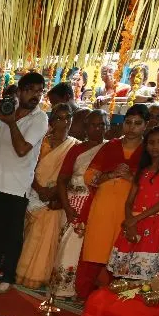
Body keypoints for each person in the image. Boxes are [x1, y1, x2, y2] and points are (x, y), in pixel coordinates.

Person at [0, 72, 48, 292]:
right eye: (31, 90)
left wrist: (11, 122)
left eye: (39, 91)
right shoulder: (7, 111)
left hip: (18, 184)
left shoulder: (40, 118)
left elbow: (22, 149)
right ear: (20, 92)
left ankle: (8, 277)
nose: (35, 95)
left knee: (13, 235)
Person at [76, 104, 147, 298]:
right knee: (95, 249)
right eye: (128, 122)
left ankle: (111, 298)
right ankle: (84, 294)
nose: (132, 127)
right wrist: (111, 174)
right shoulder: (111, 146)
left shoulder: (149, 150)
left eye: (137, 123)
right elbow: (89, 176)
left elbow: (153, 182)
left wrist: (130, 177)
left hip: (130, 209)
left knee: (122, 252)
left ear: (146, 125)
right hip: (104, 205)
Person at [103, 125, 159, 282]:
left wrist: (135, 219)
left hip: (155, 225)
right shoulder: (142, 170)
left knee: (145, 276)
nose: (155, 146)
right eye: (151, 142)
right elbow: (129, 202)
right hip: (134, 225)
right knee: (124, 274)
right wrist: (130, 222)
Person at [14, 103, 77, 288]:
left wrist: (54, 192)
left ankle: (39, 275)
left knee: (49, 231)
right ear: (52, 121)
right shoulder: (42, 142)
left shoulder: (74, 146)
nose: (64, 122)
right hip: (34, 192)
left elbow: (73, 175)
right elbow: (29, 167)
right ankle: (22, 271)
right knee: (31, 233)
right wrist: (40, 189)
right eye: (59, 118)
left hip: (58, 197)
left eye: (67, 117)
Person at [50, 110, 107, 298]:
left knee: (88, 248)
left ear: (107, 126)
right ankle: (62, 287)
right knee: (68, 245)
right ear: (86, 127)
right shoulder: (77, 149)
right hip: (74, 202)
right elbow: (62, 180)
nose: (97, 129)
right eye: (93, 125)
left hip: (97, 203)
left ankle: (81, 287)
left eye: (101, 125)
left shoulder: (110, 149)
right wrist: (67, 207)